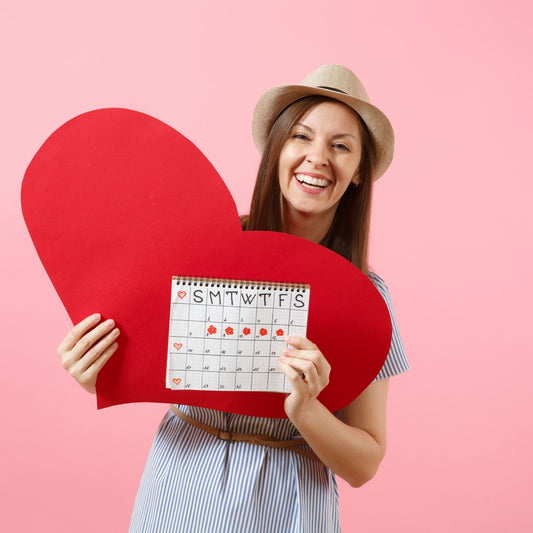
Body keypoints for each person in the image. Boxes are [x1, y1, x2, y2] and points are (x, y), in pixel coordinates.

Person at [57, 64, 409, 532]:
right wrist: (95, 372)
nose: (317, 158)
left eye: (340, 146)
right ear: (275, 148)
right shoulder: (201, 252)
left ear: (360, 171)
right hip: (177, 489)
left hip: (289, 506)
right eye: (301, 137)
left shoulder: (368, 297)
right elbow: (139, 360)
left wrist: (305, 408)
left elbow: (364, 464)